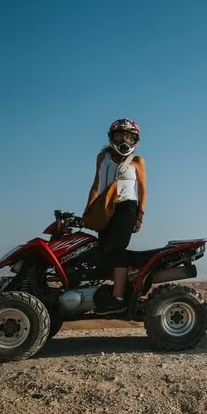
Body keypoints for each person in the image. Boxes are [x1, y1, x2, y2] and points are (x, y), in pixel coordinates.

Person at [84, 118, 147, 314]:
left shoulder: (137, 161)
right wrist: (88, 210)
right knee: (103, 249)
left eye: (129, 137)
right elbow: (96, 185)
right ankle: (113, 289)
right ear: (112, 137)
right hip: (104, 208)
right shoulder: (102, 158)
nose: (124, 140)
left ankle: (118, 298)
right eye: (120, 136)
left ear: (135, 139)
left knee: (116, 247)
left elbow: (143, 190)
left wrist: (139, 216)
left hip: (126, 207)